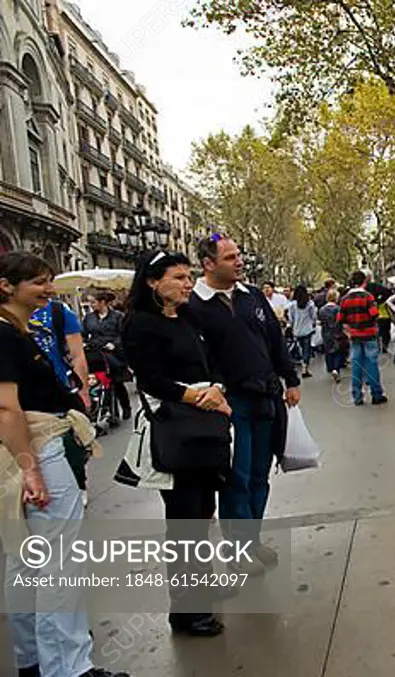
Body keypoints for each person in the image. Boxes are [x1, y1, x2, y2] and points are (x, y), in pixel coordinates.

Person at [0, 252, 128, 677]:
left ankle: (33, 661)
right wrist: (30, 468)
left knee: (24, 559)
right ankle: (68, 668)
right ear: (6, 286)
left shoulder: (14, 332)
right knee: (57, 564)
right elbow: (6, 408)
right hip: (39, 449)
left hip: (26, 452)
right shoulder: (4, 336)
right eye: (39, 282)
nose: (49, 290)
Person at [122, 250, 231, 638]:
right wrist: (197, 397)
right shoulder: (140, 325)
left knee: (202, 515)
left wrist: (217, 387)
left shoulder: (188, 317)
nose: (188, 284)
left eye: (188, 277)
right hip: (176, 430)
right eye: (179, 277)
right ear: (153, 282)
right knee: (184, 521)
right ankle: (188, 611)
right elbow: (150, 379)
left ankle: (196, 594)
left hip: (206, 427)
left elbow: (212, 360)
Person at [189, 234, 301, 576]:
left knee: (259, 474)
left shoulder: (252, 296)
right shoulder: (194, 304)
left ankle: (251, 540)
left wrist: (290, 378)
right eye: (229, 257)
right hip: (229, 402)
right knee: (235, 477)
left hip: (265, 396)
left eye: (239, 256)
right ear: (209, 264)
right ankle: (237, 550)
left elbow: (274, 340)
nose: (239, 262)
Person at [30, 298, 89, 411]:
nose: (49, 288)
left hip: (58, 389)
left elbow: (77, 355)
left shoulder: (59, 312)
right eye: (39, 282)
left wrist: (83, 392)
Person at [338, 271, 387, 405]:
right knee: (371, 364)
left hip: (354, 335)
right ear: (364, 282)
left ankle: (357, 396)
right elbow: (374, 314)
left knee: (356, 365)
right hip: (369, 334)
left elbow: (340, 319)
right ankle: (376, 394)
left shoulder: (345, 299)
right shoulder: (368, 297)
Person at [82, 291, 132, 421]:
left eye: (93, 302)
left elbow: (124, 335)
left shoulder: (118, 317)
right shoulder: (89, 318)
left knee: (117, 382)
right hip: (96, 352)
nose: (91, 305)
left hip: (113, 353)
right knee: (99, 381)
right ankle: (106, 408)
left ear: (102, 302)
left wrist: (114, 344)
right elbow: (83, 334)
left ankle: (126, 407)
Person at [288, 285, 317, 378]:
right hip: (307, 330)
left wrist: (292, 327)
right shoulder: (310, 304)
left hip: (297, 330)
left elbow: (291, 318)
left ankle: (303, 362)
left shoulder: (292, 305)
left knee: (300, 348)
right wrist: (313, 323)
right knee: (306, 349)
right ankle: (305, 367)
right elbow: (313, 316)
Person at [318, 289, 348, 380]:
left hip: (326, 332)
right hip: (337, 332)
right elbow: (342, 320)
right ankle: (336, 369)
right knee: (339, 351)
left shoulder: (322, 309)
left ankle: (330, 368)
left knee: (328, 351)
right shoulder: (338, 309)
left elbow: (320, 321)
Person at [377, 291, 393, 356]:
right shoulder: (386, 304)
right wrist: (393, 319)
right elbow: (389, 312)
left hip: (378, 319)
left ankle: (378, 348)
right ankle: (384, 348)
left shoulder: (376, 304)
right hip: (386, 319)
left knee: (378, 334)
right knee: (386, 334)